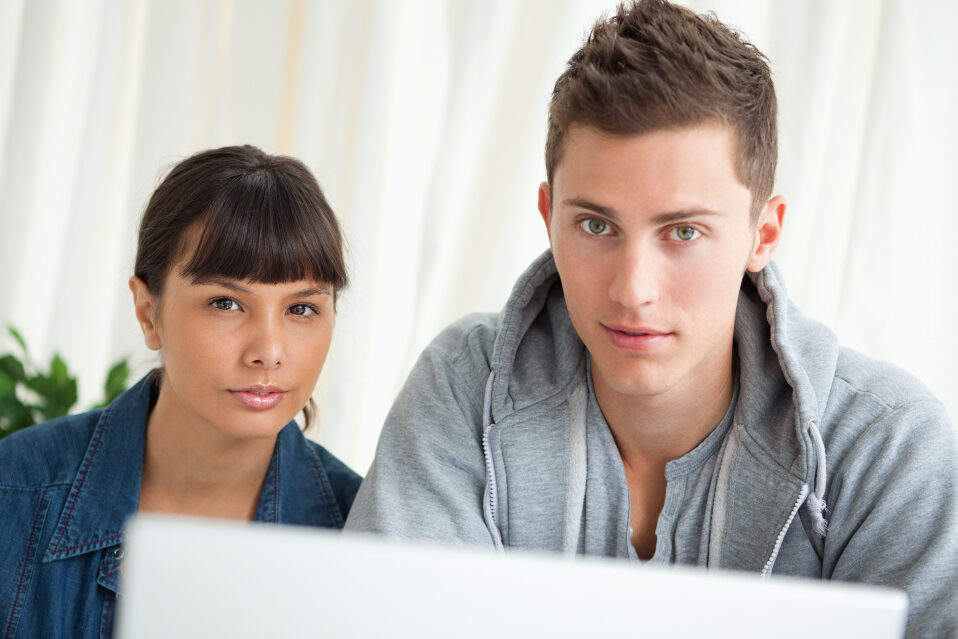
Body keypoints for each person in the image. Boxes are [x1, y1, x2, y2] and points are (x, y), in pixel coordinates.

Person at [345, 1, 958, 635]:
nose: (633, 289)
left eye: (684, 231)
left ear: (763, 233)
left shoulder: (886, 442)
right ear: (547, 215)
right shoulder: (462, 385)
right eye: (595, 225)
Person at [0, 145, 362, 638]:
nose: (269, 352)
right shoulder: (14, 493)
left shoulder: (359, 538)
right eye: (226, 303)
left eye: (301, 309)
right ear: (149, 312)